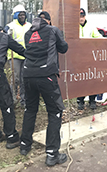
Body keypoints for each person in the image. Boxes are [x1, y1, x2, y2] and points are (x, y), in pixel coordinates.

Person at [19, 11, 68, 167]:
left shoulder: (28, 33)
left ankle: (24, 145)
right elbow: (64, 48)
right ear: (48, 21)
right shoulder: (53, 30)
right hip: (46, 75)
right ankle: (52, 153)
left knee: (30, 109)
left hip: (27, 75)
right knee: (55, 111)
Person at [4, 4, 32, 107]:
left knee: (24, 79)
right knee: (15, 79)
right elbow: (4, 35)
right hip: (14, 56)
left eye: (23, 14)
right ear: (15, 15)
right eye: (20, 15)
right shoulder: (10, 26)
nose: (22, 16)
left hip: (26, 56)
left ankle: (23, 100)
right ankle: (12, 99)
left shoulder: (29, 26)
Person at [77, 7, 103, 111]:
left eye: (82, 16)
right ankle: (81, 101)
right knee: (80, 80)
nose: (81, 18)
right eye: (79, 16)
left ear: (85, 16)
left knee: (92, 79)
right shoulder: (73, 27)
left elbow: (99, 38)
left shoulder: (91, 27)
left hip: (90, 57)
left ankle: (92, 100)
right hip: (78, 58)